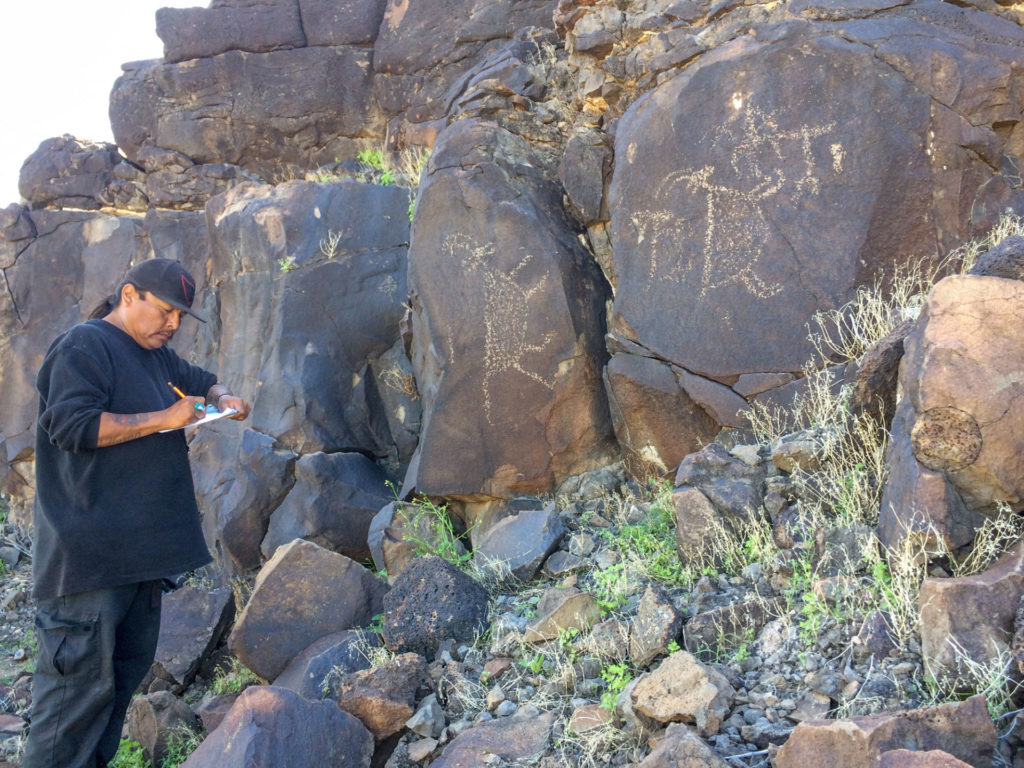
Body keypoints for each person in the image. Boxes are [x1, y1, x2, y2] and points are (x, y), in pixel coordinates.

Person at [21, 258, 251, 768]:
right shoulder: (84, 346)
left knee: (110, 702)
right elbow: (71, 426)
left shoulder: (157, 356)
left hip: (139, 569)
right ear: (130, 295)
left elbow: (200, 378)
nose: (172, 324)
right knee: (69, 713)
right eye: (166, 311)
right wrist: (162, 419)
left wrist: (221, 397)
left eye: (181, 318)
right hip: (86, 569)